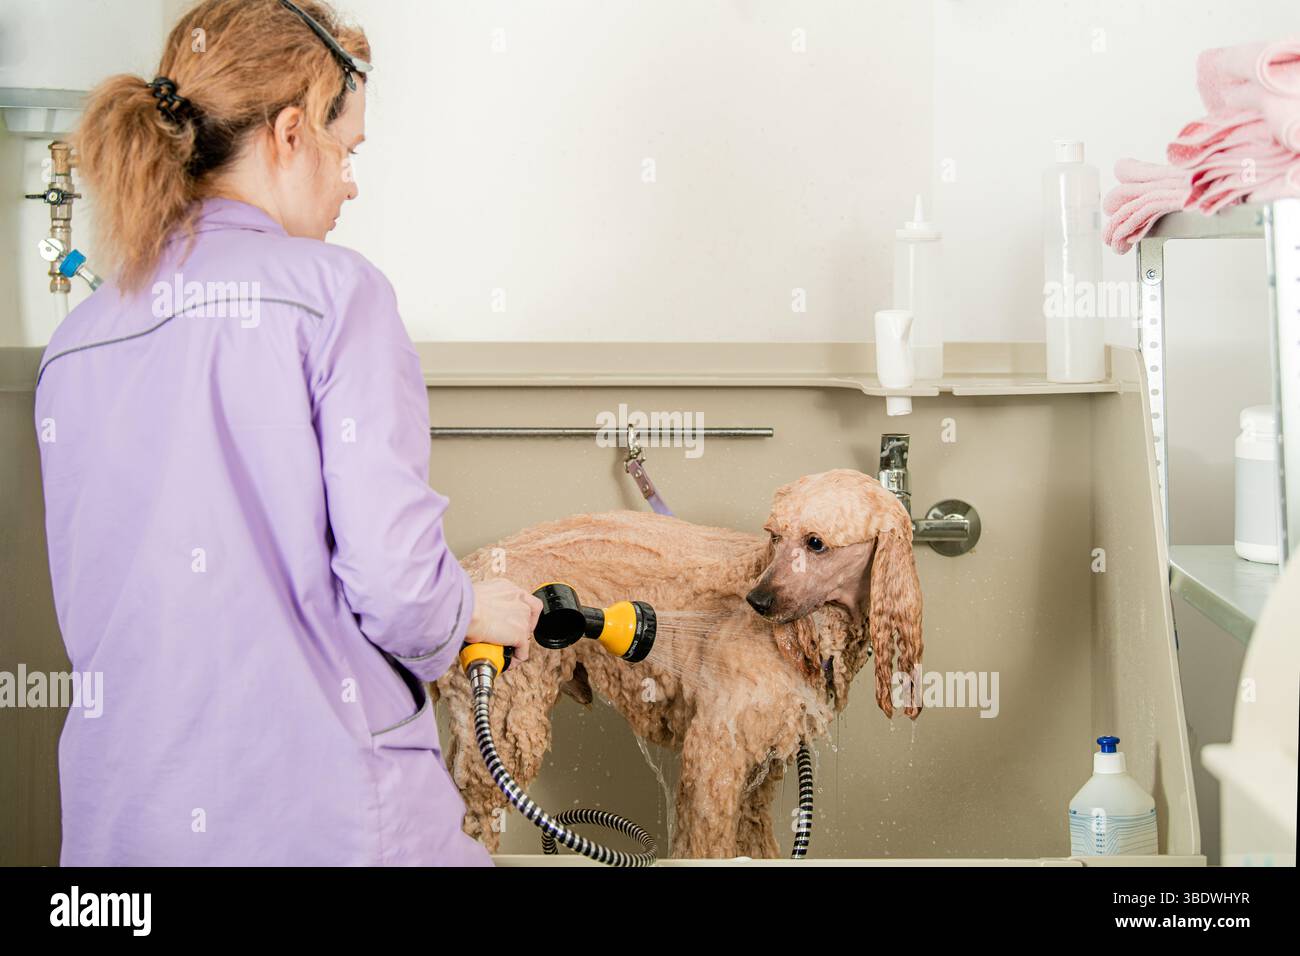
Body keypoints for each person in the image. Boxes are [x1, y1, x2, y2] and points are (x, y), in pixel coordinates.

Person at [33, 0, 538, 865]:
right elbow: (403, 595)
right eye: (348, 150)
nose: (350, 181)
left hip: (120, 837)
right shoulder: (337, 295)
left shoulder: (76, 342)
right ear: (291, 132)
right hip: (327, 824)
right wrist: (471, 609)